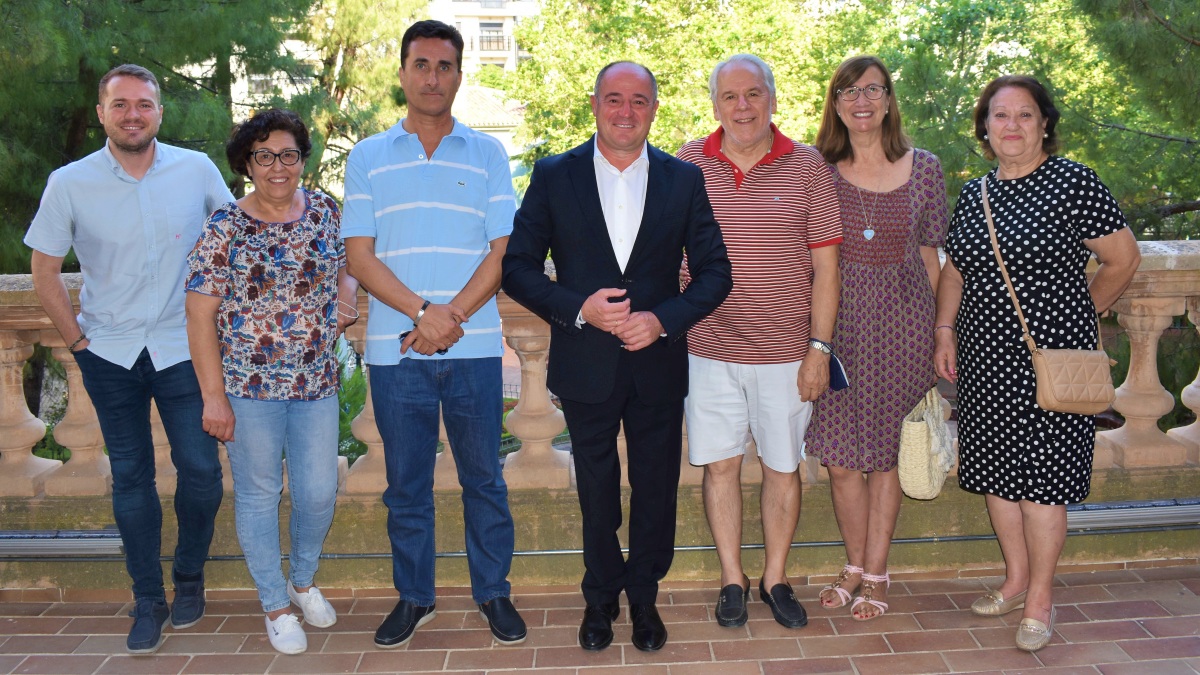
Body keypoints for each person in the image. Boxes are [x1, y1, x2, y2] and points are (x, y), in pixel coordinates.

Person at [503, 61, 732, 652]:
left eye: (638, 100)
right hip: (586, 364)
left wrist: (662, 320)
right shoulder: (555, 175)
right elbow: (518, 267)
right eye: (613, 99)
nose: (625, 111)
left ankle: (645, 598)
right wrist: (580, 308)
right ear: (595, 103)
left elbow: (715, 273)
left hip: (657, 362)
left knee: (656, 489)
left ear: (653, 108)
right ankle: (600, 596)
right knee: (596, 489)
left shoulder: (683, 179)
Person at [24, 64, 232, 654]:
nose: (133, 114)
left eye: (144, 104)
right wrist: (77, 343)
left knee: (201, 472)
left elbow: (235, 240)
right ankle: (148, 599)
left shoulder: (195, 170)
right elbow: (45, 270)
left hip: (185, 349)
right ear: (102, 113)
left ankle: (189, 574)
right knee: (132, 479)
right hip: (109, 353)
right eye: (121, 105)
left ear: (159, 112)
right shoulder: (69, 181)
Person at [934, 75, 1140, 651]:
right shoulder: (975, 195)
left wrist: (1077, 316)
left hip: (1051, 363)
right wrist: (944, 329)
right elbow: (954, 272)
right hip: (984, 359)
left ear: (1044, 123)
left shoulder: (1072, 182)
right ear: (985, 128)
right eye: (1001, 116)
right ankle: (1016, 579)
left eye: (1025, 115)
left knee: (1044, 485)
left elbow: (1123, 259)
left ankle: (1042, 597)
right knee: (998, 477)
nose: (1013, 126)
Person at [341, 20, 526, 649]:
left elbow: (504, 251)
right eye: (421, 64)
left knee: (485, 481)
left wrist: (450, 319)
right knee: (406, 488)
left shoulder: (488, 154)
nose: (432, 77)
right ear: (402, 73)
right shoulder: (367, 156)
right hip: (397, 355)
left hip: (473, 351)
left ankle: (493, 592)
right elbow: (360, 258)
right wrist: (425, 313)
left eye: (445, 66)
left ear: (459, 75)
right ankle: (414, 597)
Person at [184, 109, 358, 654]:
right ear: (246, 164)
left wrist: (347, 291)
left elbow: (351, 259)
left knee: (317, 492)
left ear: (302, 160)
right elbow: (198, 313)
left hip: (315, 384)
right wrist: (214, 397)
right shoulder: (225, 226)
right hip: (247, 389)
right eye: (263, 156)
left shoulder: (327, 212)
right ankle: (274, 604)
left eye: (288, 155)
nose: (277, 167)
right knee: (259, 496)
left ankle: (301, 580)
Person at [675, 54, 840, 630]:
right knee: (719, 468)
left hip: (786, 353)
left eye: (753, 94)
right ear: (714, 103)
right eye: (729, 97)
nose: (741, 107)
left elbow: (827, 267)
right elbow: (668, 252)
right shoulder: (688, 161)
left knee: (781, 468)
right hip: (707, 349)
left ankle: (775, 578)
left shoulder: (808, 166)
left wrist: (819, 348)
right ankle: (731, 579)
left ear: (772, 98)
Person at [806, 55, 948, 621]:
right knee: (842, 460)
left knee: (887, 457)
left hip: (906, 328)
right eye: (848, 91)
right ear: (835, 104)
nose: (861, 101)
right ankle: (853, 564)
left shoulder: (927, 168)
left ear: (889, 100)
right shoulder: (815, 168)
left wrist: (945, 332)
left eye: (872, 90)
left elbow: (932, 257)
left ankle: (877, 571)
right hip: (837, 329)